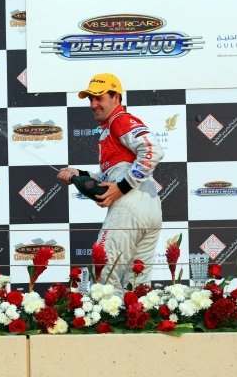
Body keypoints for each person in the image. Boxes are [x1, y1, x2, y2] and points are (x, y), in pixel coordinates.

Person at [57, 73, 164, 290]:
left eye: (99, 98)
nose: (93, 104)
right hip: (150, 207)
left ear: (116, 97)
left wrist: (123, 188)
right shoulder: (111, 128)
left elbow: (153, 150)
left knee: (105, 274)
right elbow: (113, 175)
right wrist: (79, 173)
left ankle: (106, 324)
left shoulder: (120, 120)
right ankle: (139, 322)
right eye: (90, 99)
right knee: (138, 283)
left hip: (129, 208)